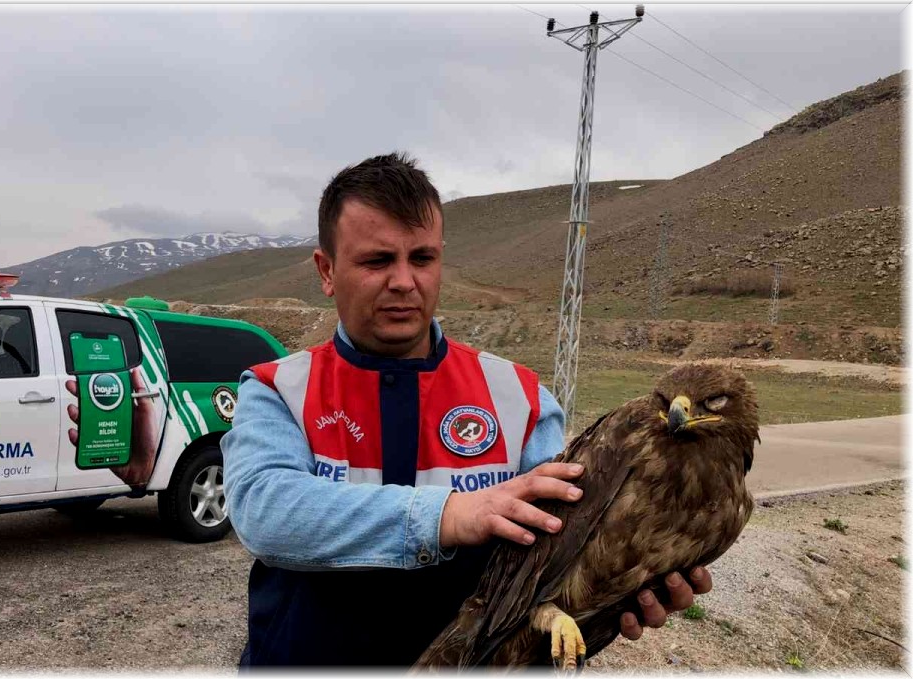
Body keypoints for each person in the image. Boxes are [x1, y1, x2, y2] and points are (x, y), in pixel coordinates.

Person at [221, 152, 712, 668]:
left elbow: (565, 545)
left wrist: (631, 581)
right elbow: (265, 511)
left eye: (423, 258)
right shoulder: (279, 388)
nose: (405, 282)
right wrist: (449, 515)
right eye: (377, 261)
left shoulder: (518, 396)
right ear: (326, 270)